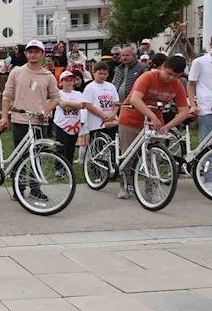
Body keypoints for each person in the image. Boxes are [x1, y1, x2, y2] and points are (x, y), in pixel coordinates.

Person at [117, 55, 190, 199]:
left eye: (176, 76)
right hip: (130, 119)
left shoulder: (177, 85)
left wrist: (168, 126)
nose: (171, 78)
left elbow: (184, 110)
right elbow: (135, 99)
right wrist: (153, 116)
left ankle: (151, 189)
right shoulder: (148, 77)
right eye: (169, 73)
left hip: (154, 123)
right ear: (162, 67)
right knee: (129, 155)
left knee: (154, 157)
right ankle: (126, 185)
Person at [0, 40, 60, 200]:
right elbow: (7, 95)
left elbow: (55, 98)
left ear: (42, 54)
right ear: (25, 54)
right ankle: (18, 188)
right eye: (30, 51)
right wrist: (4, 117)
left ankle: (35, 189)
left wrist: (45, 111)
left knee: (37, 156)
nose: (33, 55)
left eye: (36, 51)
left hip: (39, 122)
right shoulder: (17, 72)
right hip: (20, 120)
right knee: (19, 155)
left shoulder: (48, 76)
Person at [82, 61, 119, 141]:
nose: (102, 76)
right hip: (96, 123)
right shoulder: (90, 87)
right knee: (97, 145)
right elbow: (88, 105)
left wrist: (113, 115)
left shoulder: (111, 86)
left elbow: (116, 103)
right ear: (94, 73)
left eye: (105, 74)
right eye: (100, 73)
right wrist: (103, 115)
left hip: (112, 121)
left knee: (112, 144)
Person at [53, 71, 84, 166]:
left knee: (71, 148)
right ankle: (59, 168)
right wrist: (73, 105)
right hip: (62, 125)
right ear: (61, 82)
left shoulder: (78, 94)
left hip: (74, 125)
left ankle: (68, 167)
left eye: (71, 80)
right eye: (66, 80)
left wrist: (67, 103)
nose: (69, 82)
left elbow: (82, 105)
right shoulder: (58, 94)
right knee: (61, 147)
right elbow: (64, 106)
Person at [188, 39, 212, 142]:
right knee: (206, 145)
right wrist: (193, 105)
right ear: (211, 45)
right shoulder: (199, 62)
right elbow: (190, 84)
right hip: (207, 107)